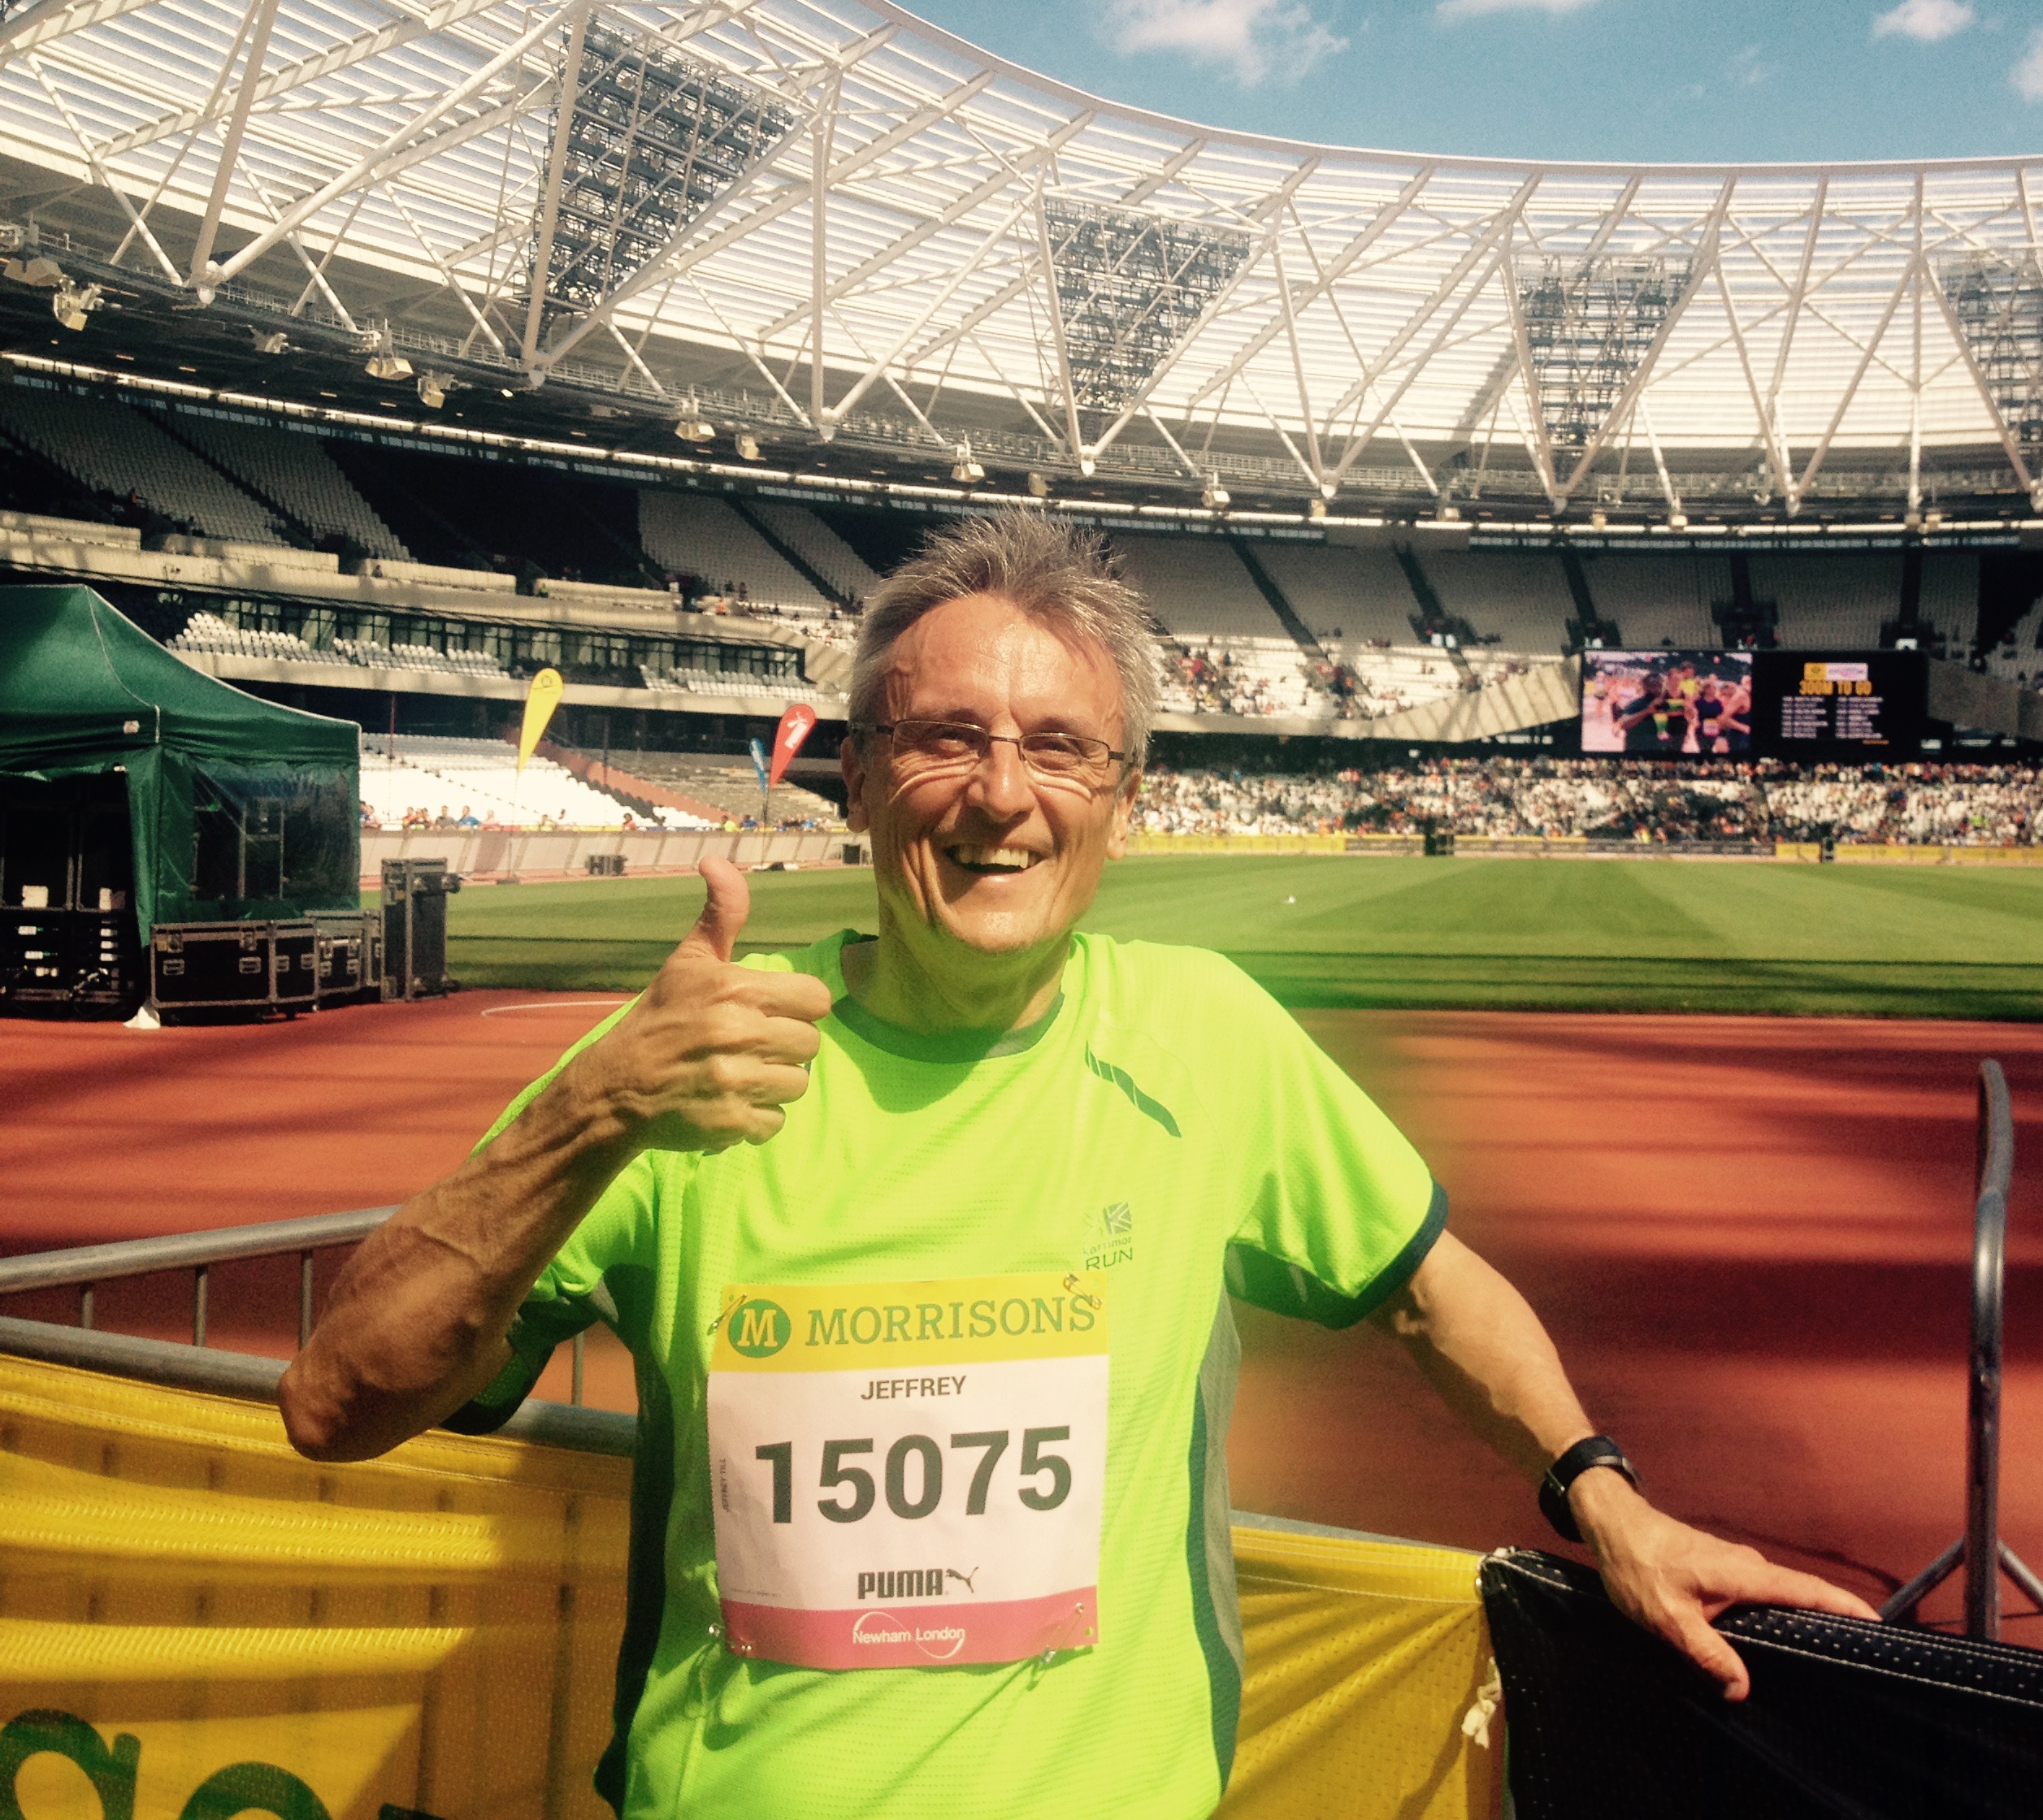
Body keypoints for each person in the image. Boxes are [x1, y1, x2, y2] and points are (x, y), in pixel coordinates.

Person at [279, 513, 1870, 1820]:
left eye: (1061, 748)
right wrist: (589, 1118)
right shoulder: (690, 1059)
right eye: (947, 736)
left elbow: (1429, 1294)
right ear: (853, 772)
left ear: (1121, 800)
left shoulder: (1206, 1041)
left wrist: (1607, 1497)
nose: (1002, 794)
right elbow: (335, 1403)